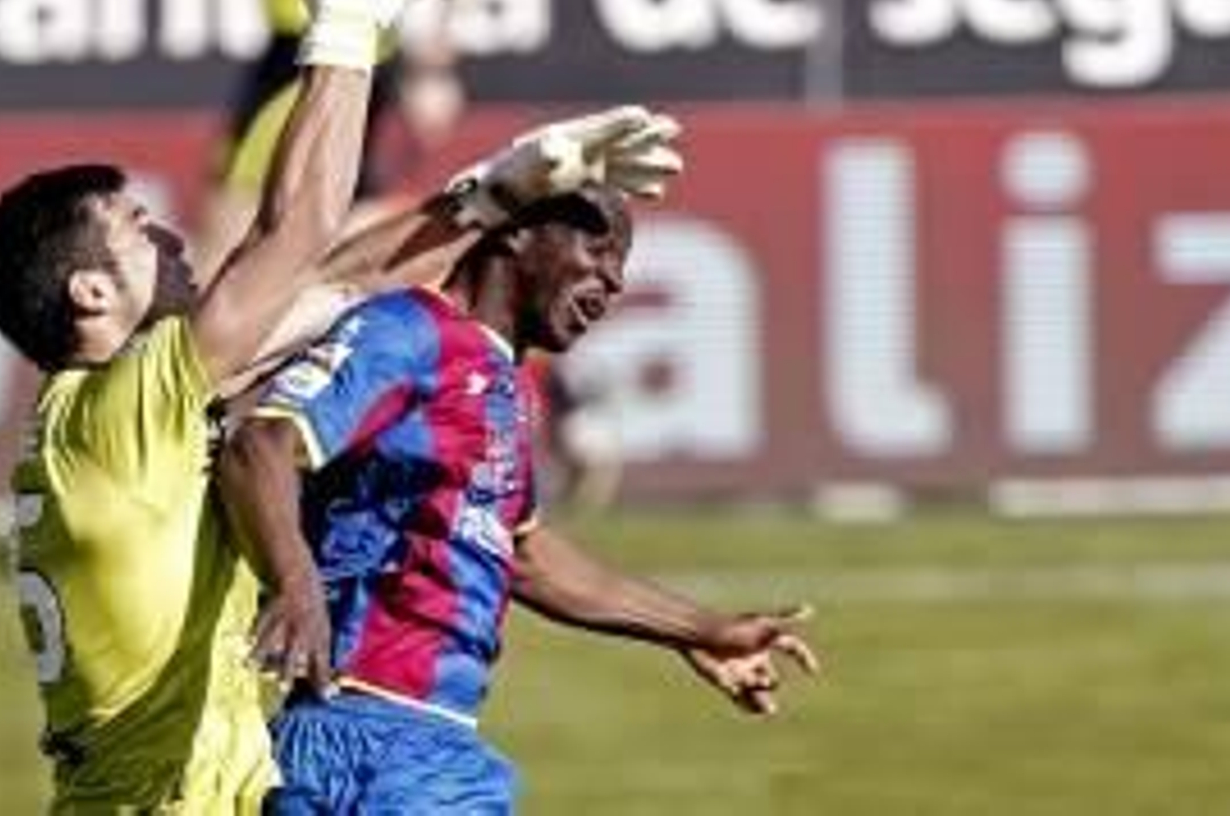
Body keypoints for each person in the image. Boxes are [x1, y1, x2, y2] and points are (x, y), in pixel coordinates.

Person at [0, 0, 680, 812]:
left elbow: (339, 287)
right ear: (90, 292)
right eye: (142, 232)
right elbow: (296, 231)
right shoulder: (124, 403)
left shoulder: (112, 416)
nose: (179, 243)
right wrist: (345, 34)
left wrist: (497, 192)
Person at [218, 183, 819, 814]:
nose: (613, 282)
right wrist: (296, 581)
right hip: (370, 739)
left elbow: (523, 554)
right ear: (517, 232)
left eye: (622, 266)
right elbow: (261, 443)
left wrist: (700, 630)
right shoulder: (409, 331)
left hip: (423, 748)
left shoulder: (506, 386)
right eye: (598, 248)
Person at [146, 0, 466, 275]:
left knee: (241, 196)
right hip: (292, 42)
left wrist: (432, 67)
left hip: (349, 42)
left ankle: (204, 334)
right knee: (340, 201)